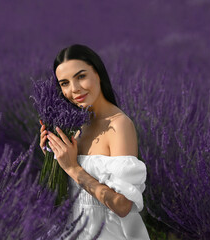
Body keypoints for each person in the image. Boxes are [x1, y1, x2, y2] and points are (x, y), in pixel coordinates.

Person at [39, 44, 150, 239]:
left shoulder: (119, 125)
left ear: (98, 73)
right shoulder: (76, 124)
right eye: (64, 83)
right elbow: (71, 189)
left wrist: (73, 168)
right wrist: (53, 156)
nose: (74, 89)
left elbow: (122, 206)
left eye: (81, 77)